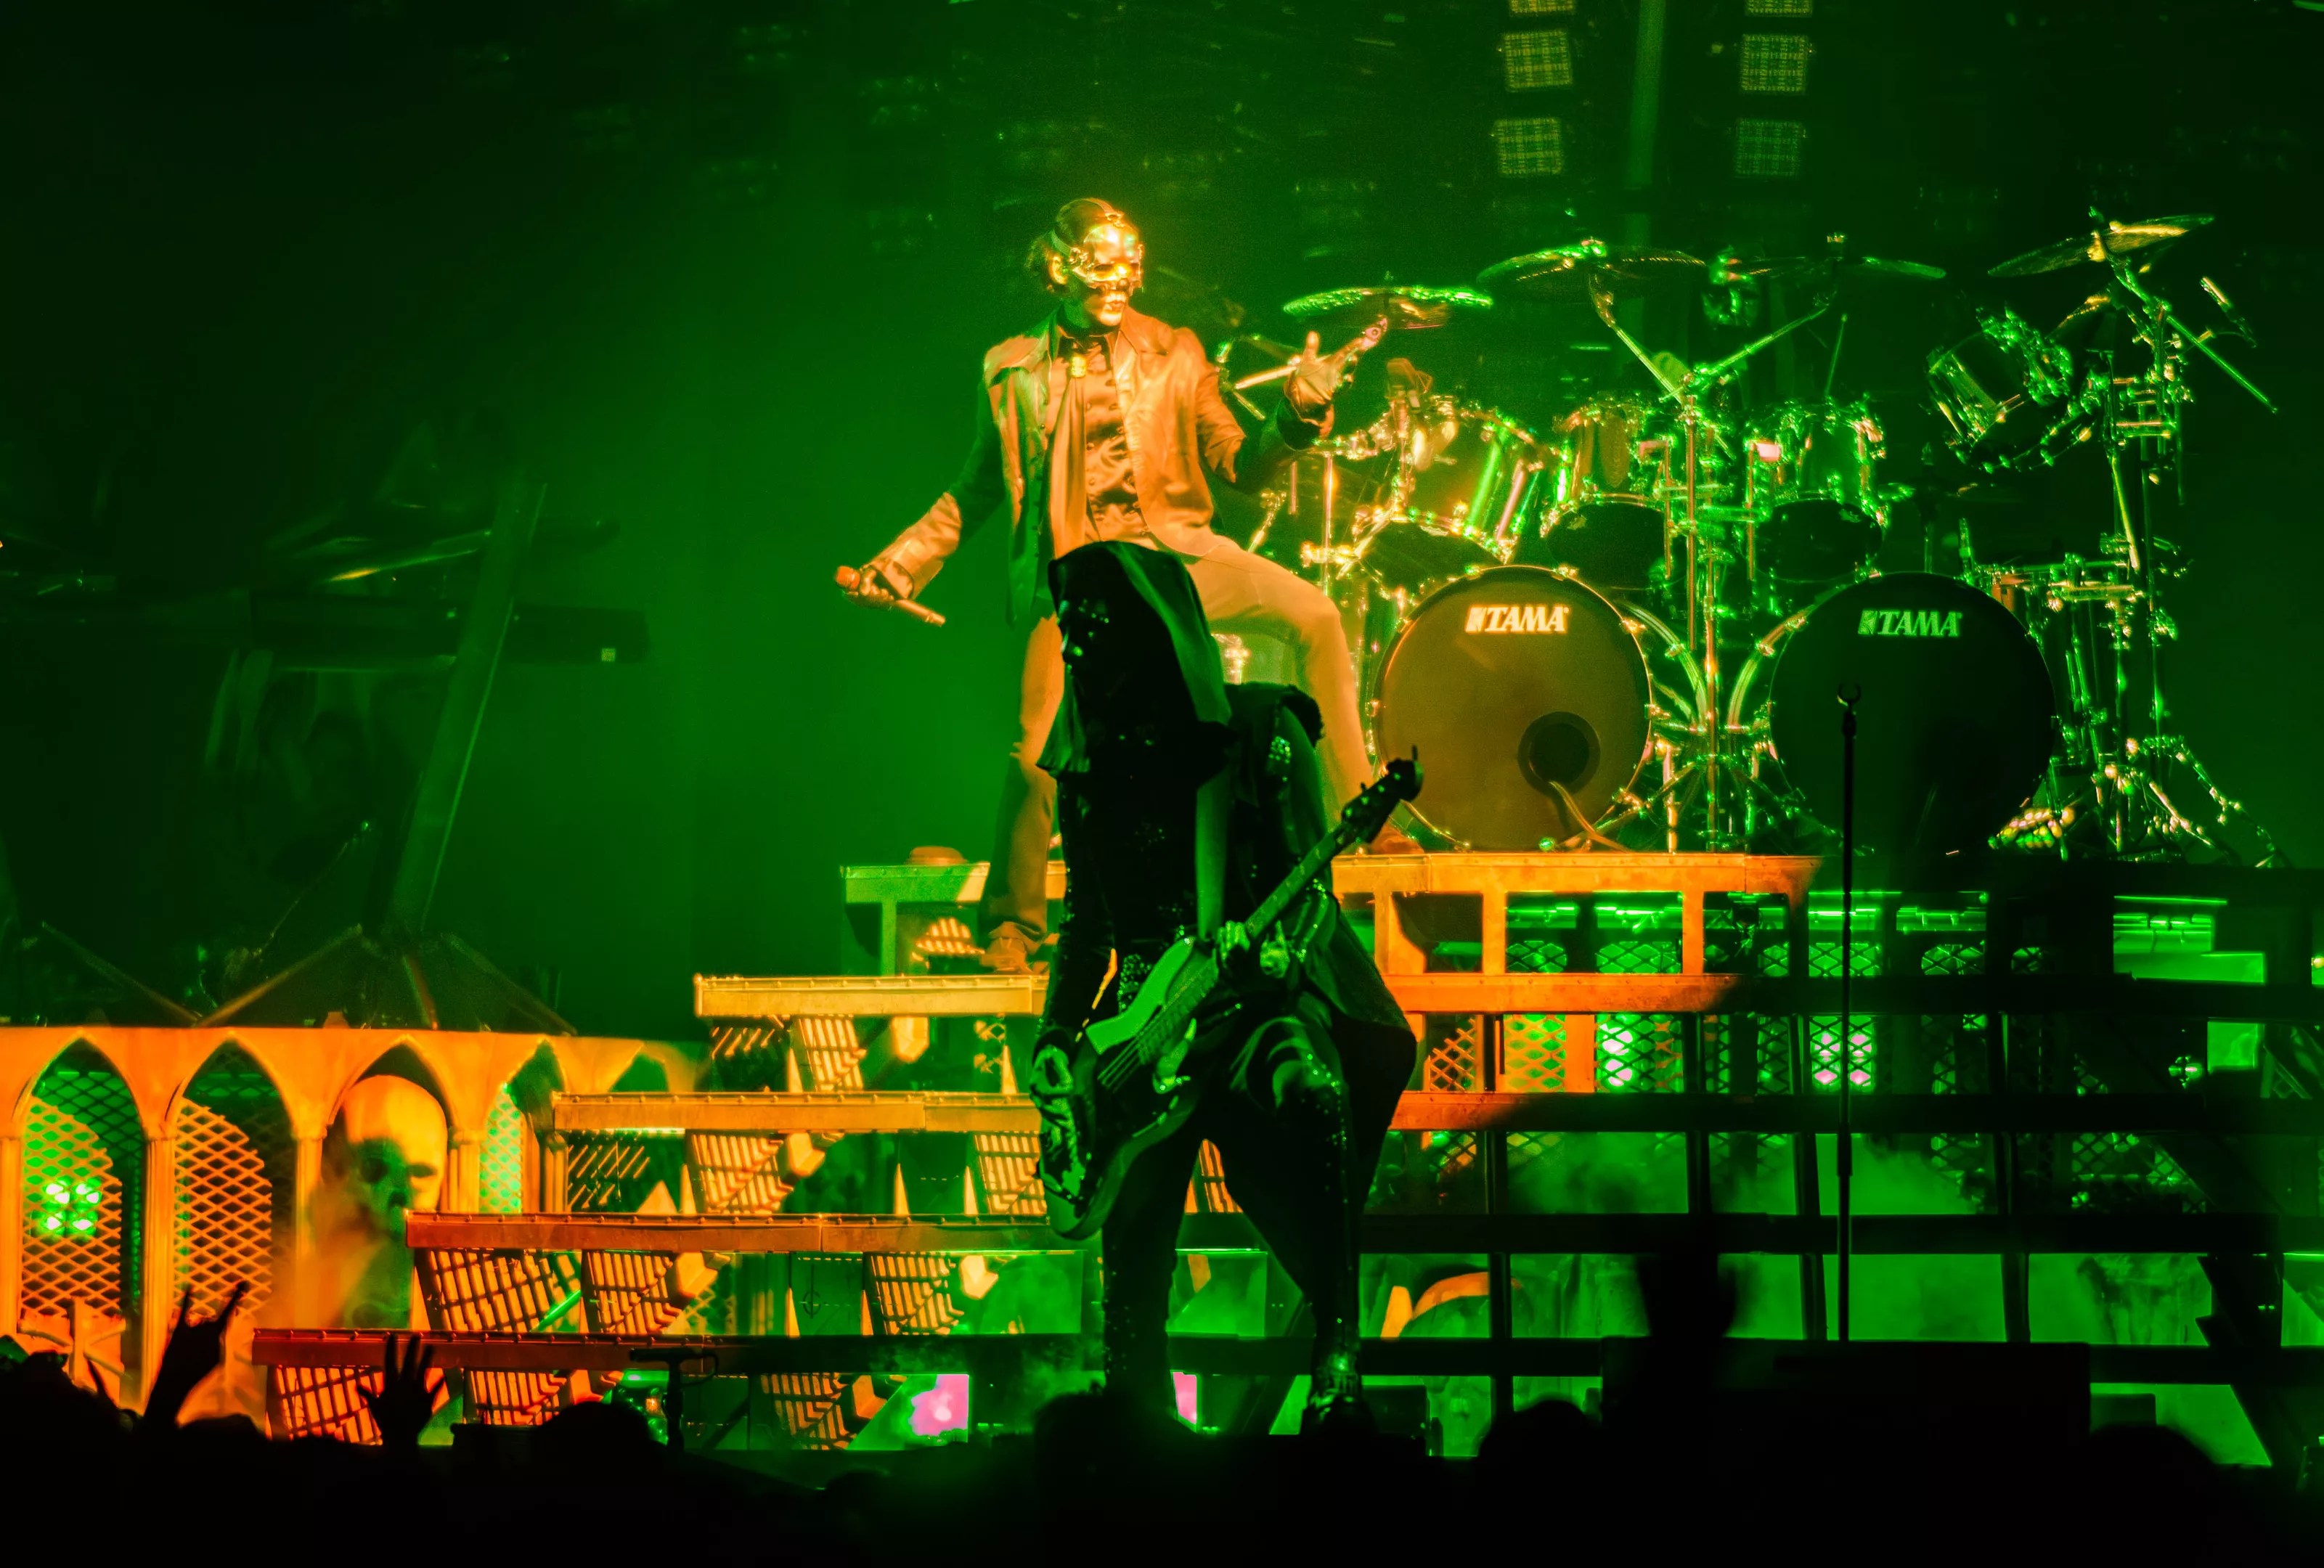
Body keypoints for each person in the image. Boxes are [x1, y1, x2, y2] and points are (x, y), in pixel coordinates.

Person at [846, 197, 1392, 973]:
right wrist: (899, 564)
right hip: (1080, 583)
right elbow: (976, 488)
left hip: (1177, 558)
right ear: (1057, 268)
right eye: (1101, 265)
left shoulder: (1175, 350)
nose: (1120, 281)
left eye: (1131, 265)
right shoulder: (1010, 369)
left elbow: (1238, 462)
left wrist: (1298, 415)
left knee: (1316, 615)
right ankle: (1013, 923)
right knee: (1035, 746)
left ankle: (1365, 819)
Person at [1028, 542, 1415, 1432]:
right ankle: (1136, 1420)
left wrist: (1277, 960)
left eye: (1094, 625)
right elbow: (1087, 924)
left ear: (1152, 629)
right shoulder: (1086, 769)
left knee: (1312, 1091)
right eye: (1069, 628)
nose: (1076, 648)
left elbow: (1312, 894)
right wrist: (1055, 1037)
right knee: (1132, 1247)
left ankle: (1338, 1359)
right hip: (1138, 1029)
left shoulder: (1263, 733)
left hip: (1252, 1005)